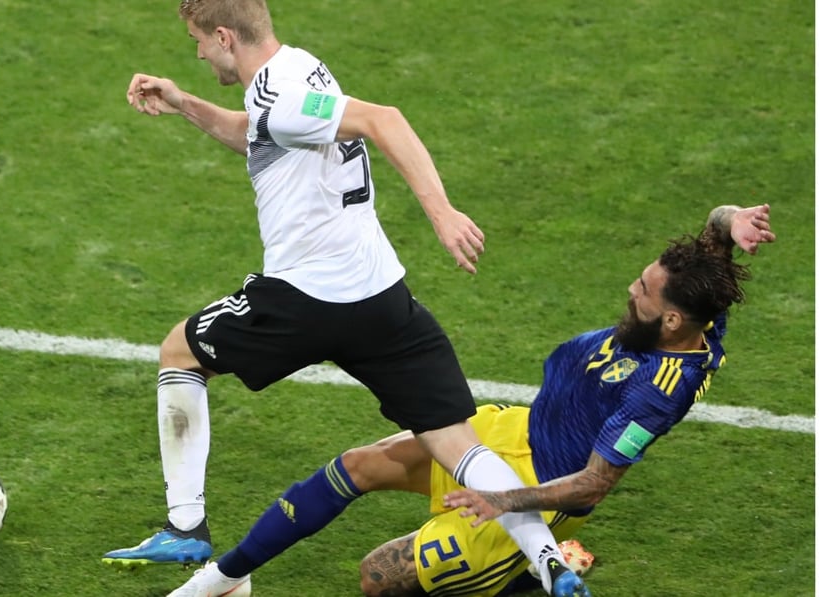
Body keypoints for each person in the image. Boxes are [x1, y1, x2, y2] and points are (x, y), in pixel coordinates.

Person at [101, 1, 588, 595]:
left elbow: (385, 119)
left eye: (199, 41)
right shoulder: (299, 70)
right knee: (455, 440)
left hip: (307, 296)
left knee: (179, 352)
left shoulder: (280, 98)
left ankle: (185, 527)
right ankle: (549, 565)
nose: (198, 53)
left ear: (224, 36)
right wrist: (183, 103)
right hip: (381, 296)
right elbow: (256, 134)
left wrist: (441, 212)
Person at [164, 203, 775, 596]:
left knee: (377, 578)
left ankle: (527, 572)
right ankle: (227, 579)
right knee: (359, 465)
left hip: (540, 483)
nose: (630, 290)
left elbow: (592, 485)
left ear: (671, 322)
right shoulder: (698, 313)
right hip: (511, 431)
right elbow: (713, 239)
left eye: (642, 291)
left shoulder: (659, 392)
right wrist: (731, 222)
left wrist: (501, 499)